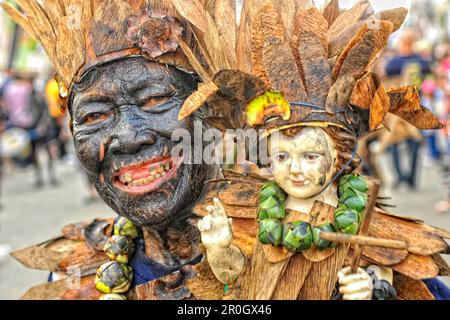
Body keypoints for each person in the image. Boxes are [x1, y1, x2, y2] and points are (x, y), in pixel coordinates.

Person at [2, 0, 449, 301]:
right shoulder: (80, 269)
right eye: (95, 116)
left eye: (155, 101)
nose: (129, 136)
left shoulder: (338, 251)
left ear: (214, 115)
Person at [384, 30, 431, 189]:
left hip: (404, 109)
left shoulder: (394, 62)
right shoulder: (421, 61)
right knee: (412, 142)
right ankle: (408, 177)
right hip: (412, 108)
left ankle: (404, 177)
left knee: (398, 142)